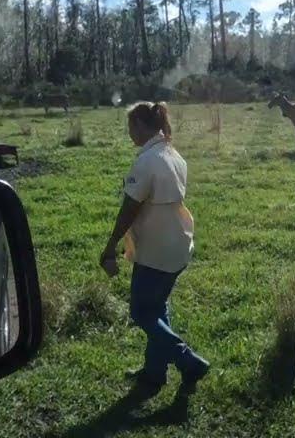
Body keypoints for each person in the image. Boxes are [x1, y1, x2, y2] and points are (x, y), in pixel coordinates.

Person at [100, 101, 210, 394]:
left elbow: (130, 208)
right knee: (157, 308)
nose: (129, 134)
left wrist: (110, 245)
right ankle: (154, 373)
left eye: (130, 128)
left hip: (156, 250)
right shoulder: (173, 155)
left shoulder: (147, 160)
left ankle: (189, 361)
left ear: (140, 126)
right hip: (178, 243)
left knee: (141, 312)